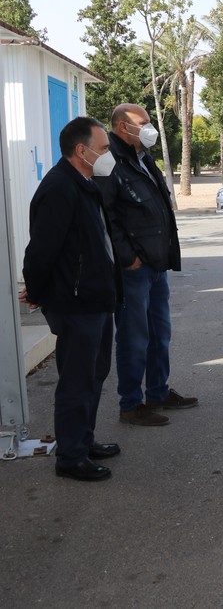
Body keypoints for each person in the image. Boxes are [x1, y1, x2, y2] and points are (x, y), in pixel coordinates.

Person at [20, 117, 122, 481]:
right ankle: (70, 456)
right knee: (77, 382)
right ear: (82, 151)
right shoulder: (59, 188)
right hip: (77, 304)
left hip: (96, 300)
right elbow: (40, 252)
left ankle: (84, 441)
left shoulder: (84, 183)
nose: (108, 154)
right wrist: (38, 291)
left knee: (94, 375)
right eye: (104, 148)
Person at [96, 103, 197, 426]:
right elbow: (106, 216)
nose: (150, 127)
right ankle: (131, 404)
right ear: (123, 127)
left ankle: (157, 391)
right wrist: (129, 257)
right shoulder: (110, 161)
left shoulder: (141, 157)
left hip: (155, 264)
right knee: (134, 336)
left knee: (159, 333)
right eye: (144, 123)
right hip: (135, 269)